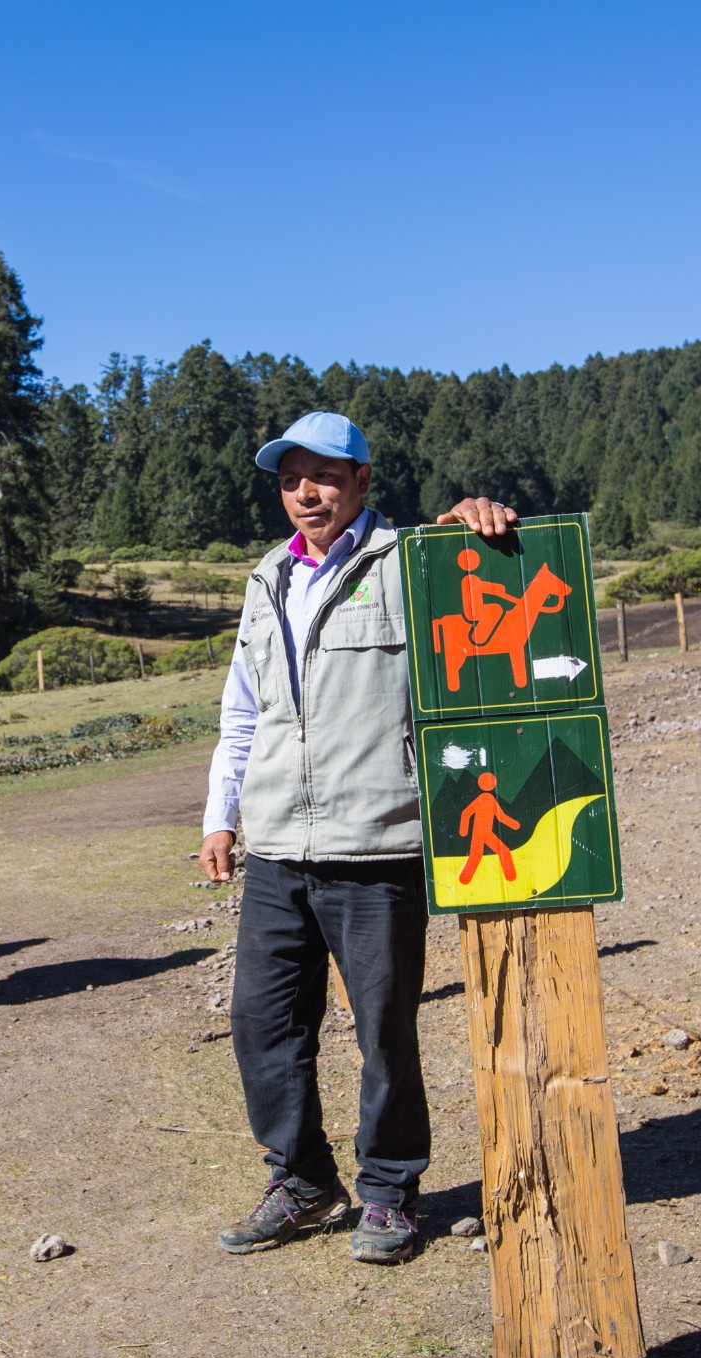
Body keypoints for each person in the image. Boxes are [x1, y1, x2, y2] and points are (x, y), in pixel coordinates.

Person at [202, 410, 515, 1265]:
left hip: (376, 844)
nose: (307, 493)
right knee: (261, 1025)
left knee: (383, 1028)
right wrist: (220, 813)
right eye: (291, 478)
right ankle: (302, 1181)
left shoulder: (411, 563)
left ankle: (388, 1193)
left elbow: (488, 599)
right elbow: (243, 708)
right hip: (274, 845)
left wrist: (474, 528)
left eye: (326, 476)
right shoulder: (266, 576)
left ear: (363, 482)